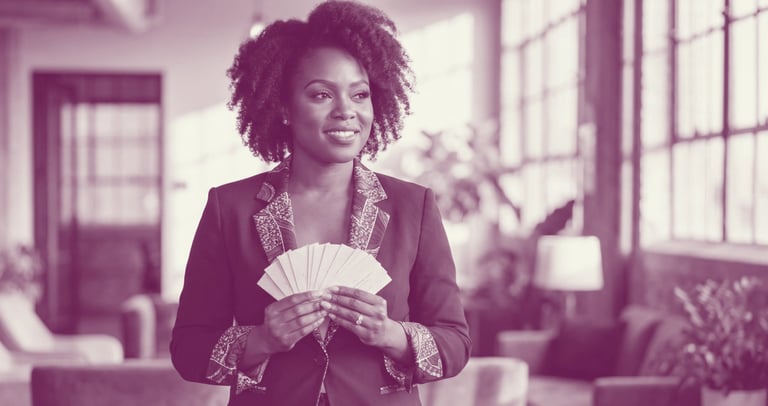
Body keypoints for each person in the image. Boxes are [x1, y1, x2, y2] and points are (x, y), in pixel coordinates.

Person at [170, 2, 471, 405]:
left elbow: (456, 343)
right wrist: (261, 339)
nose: (346, 111)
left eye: (359, 94)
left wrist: (391, 334)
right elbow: (188, 351)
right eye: (321, 94)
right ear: (283, 108)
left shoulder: (413, 206)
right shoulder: (230, 207)